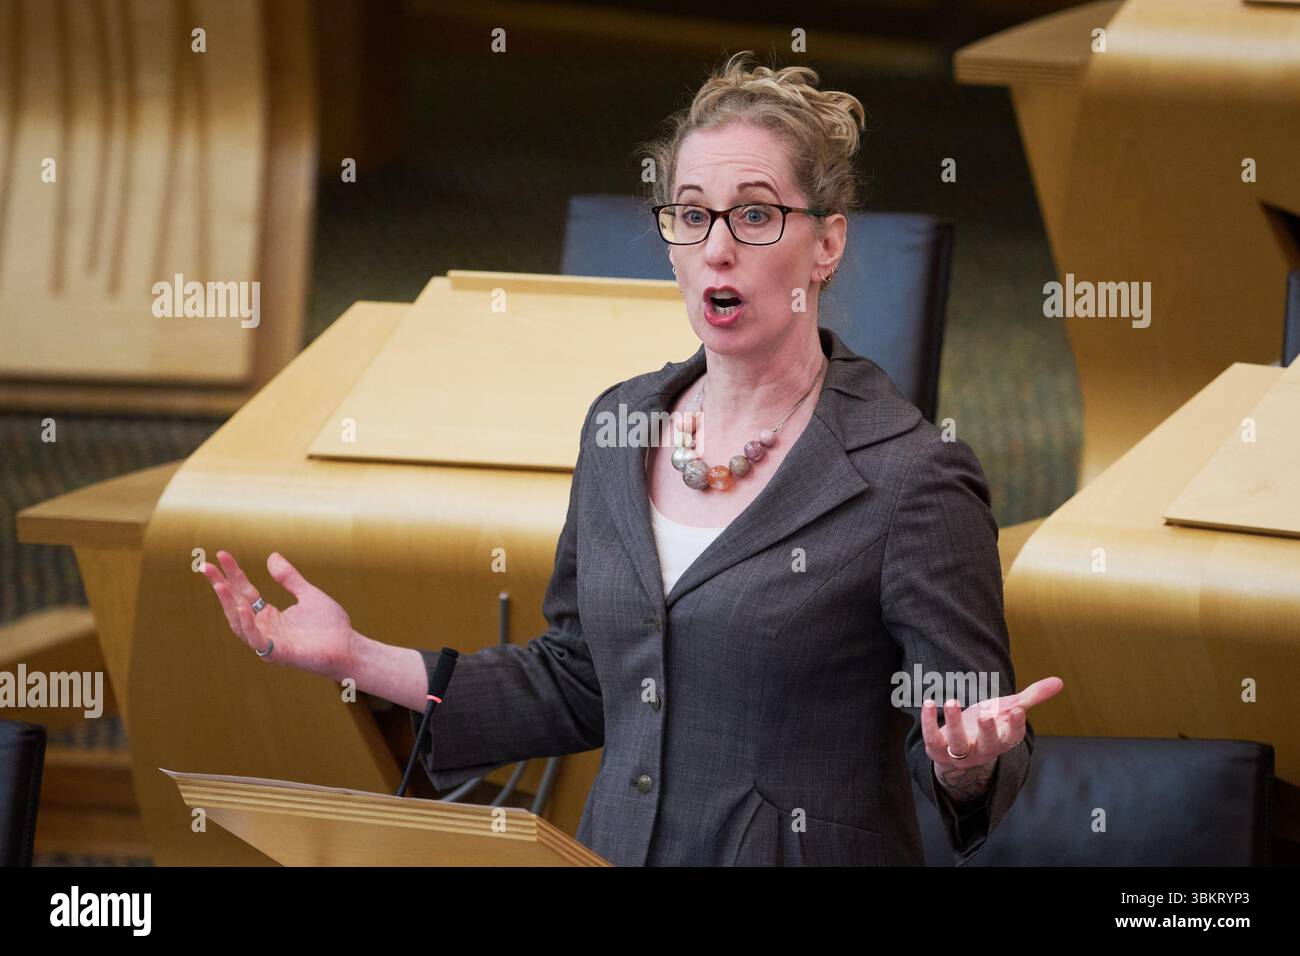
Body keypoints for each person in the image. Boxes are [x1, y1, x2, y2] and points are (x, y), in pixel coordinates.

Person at [203, 51, 1063, 866]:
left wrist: (965, 763)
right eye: (692, 215)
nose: (717, 247)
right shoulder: (621, 425)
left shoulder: (910, 476)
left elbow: (969, 726)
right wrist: (356, 656)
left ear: (827, 244)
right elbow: (579, 677)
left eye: (756, 214)